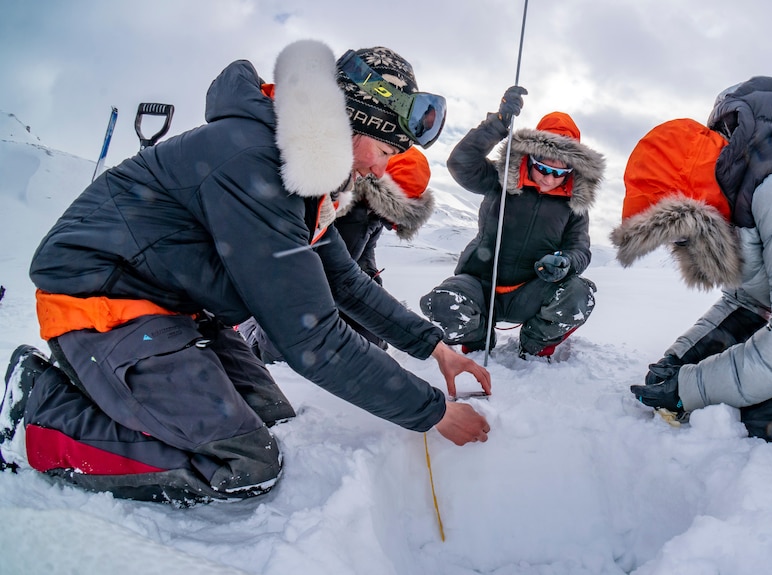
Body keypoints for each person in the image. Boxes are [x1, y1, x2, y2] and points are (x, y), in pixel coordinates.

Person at [0, 40, 492, 504]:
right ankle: (38, 416)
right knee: (248, 462)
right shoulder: (253, 160)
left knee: (276, 422)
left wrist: (436, 348)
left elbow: (344, 282)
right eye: (385, 153)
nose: (381, 171)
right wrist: (434, 413)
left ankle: (125, 393)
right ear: (353, 124)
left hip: (172, 311)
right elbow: (312, 339)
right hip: (101, 306)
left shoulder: (302, 175)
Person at [611, 76, 772, 454]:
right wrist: (678, 362)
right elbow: (745, 303)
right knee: (731, 394)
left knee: (765, 421)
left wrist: (690, 388)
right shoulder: (738, 198)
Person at [420, 86, 605, 359]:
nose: (548, 178)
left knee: (579, 294)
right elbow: (461, 163)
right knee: (443, 303)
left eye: (559, 172)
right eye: (543, 166)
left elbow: (580, 249)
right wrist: (498, 123)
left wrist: (566, 263)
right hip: (481, 284)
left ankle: (534, 346)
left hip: (531, 292)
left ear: (572, 170)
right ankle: (477, 339)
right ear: (530, 155)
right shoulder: (500, 179)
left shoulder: (574, 206)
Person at [238, 146, 436, 360]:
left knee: (371, 341)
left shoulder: (373, 215)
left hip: (337, 287)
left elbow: (363, 260)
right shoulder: (338, 205)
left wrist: (372, 289)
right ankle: (248, 324)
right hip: (293, 287)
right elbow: (310, 267)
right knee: (282, 348)